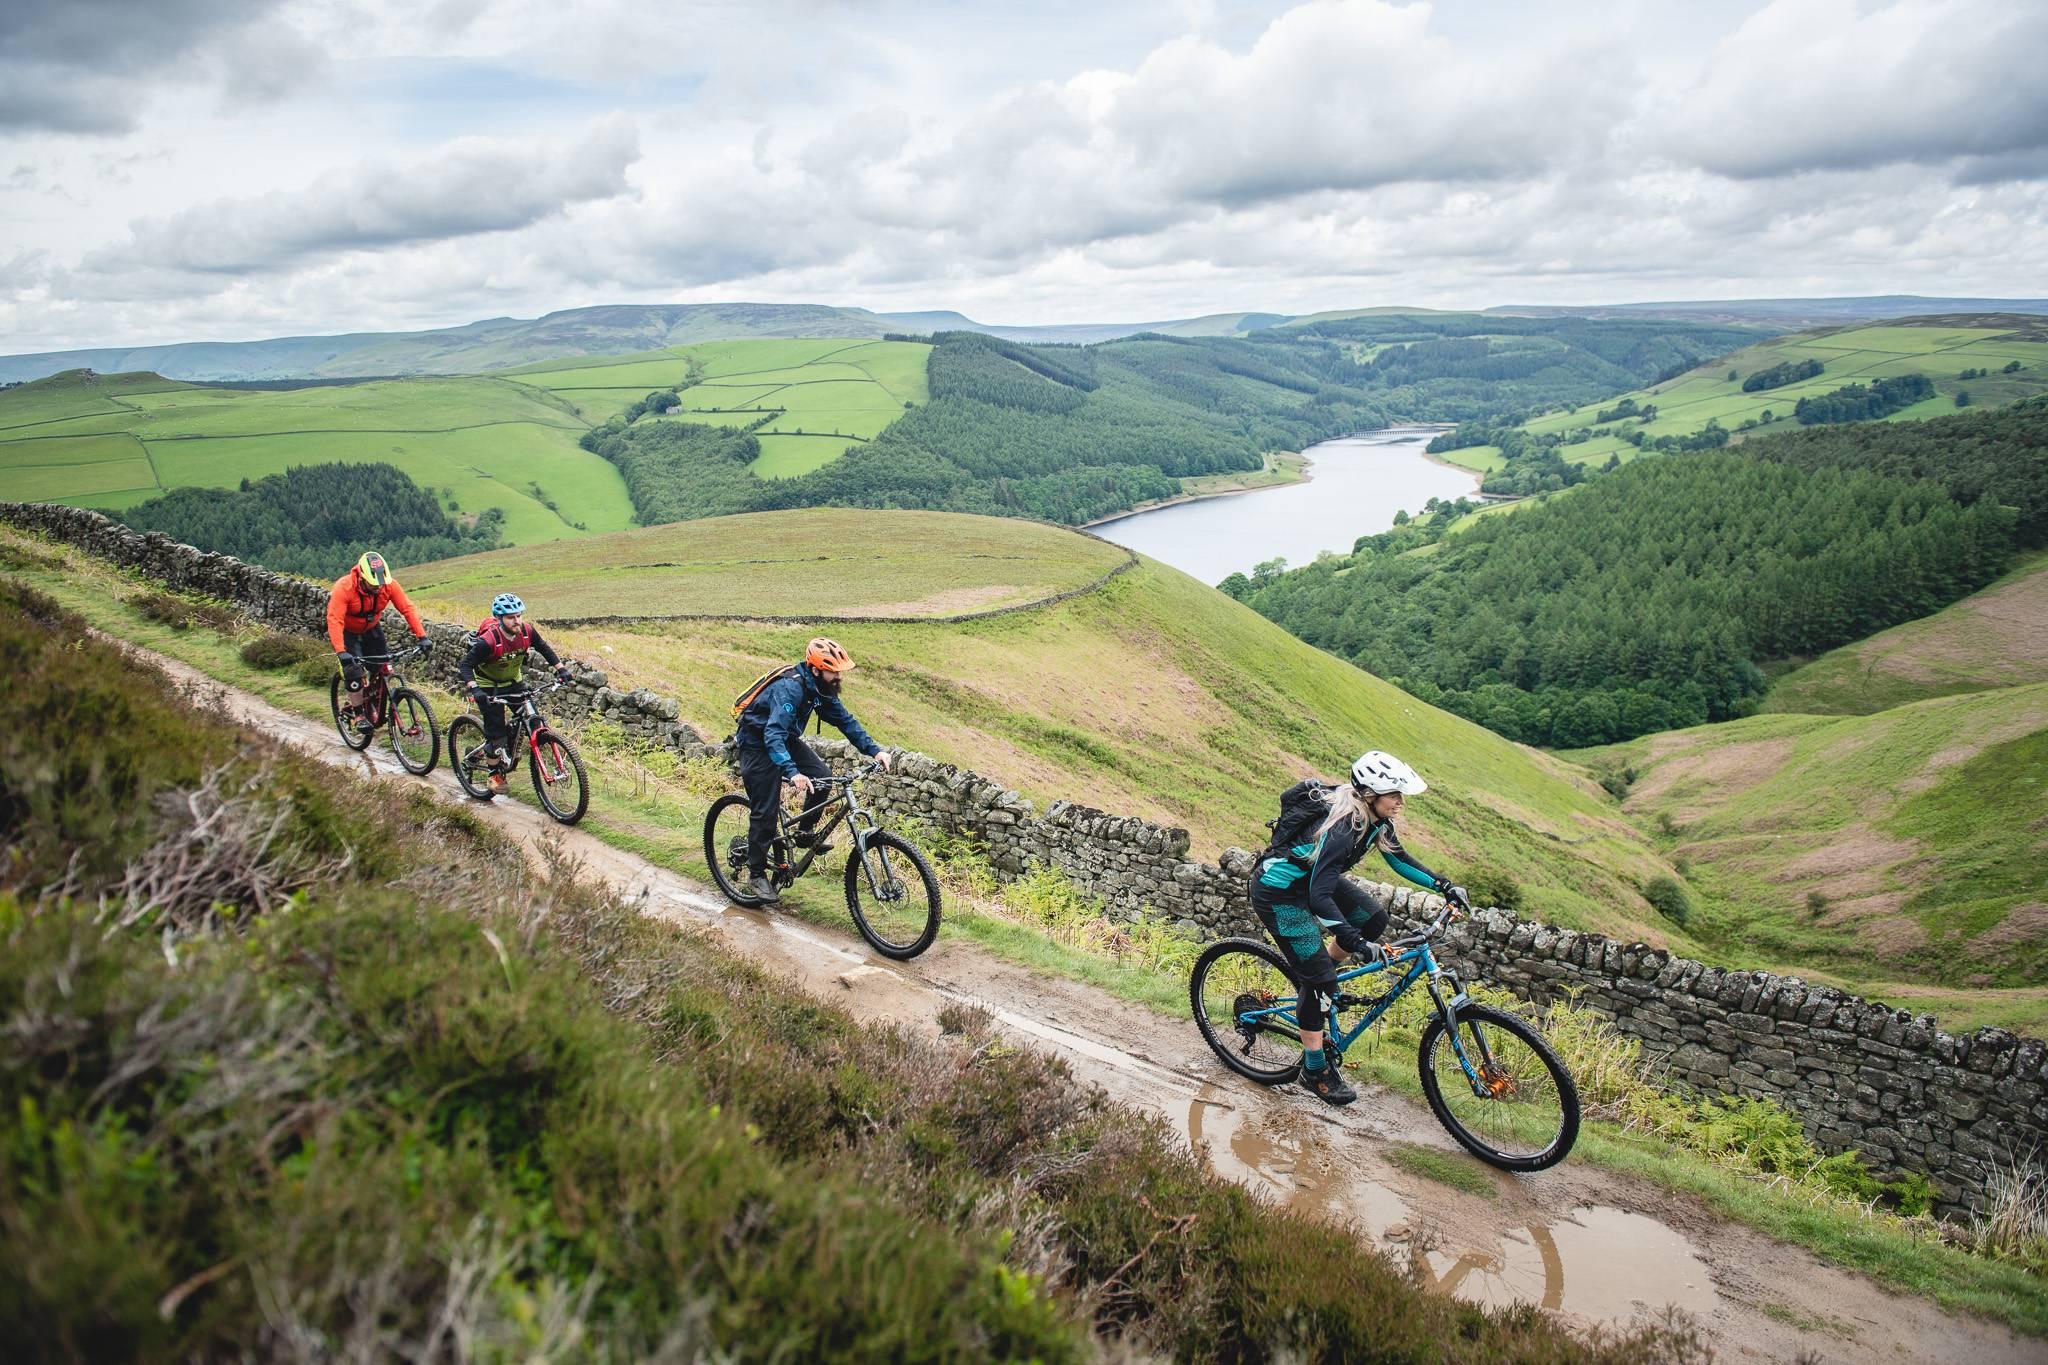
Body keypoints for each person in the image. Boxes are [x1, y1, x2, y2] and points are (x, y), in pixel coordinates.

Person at [1248, 750, 1469, 1106]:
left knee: (1374, 920)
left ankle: (1317, 985)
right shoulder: (1342, 829)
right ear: (1371, 794)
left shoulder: (1375, 820)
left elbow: (1398, 859)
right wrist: (1353, 942)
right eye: (1394, 795)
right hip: (1279, 893)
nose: (1400, 802)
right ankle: (1315, 1070)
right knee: (1320, 979)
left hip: (1311, 881)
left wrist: (1444, 885)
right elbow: (1320, 899)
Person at [731, 637, 892, 904]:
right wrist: (793, 772)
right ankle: (756, 874)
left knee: (822, 777)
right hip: (757, 742)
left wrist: (875, 750)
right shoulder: (790, 689)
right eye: (833, 671)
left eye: (840, 671)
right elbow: (773, 734)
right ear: (816, 670)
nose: (838, 676)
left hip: (782, 738)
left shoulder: (820, 690)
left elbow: (845, 721)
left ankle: (804, 833)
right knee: (765, 812)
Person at [457, 592, 569, 793]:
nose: (517, 621)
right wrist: (474, 688)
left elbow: (544, 648)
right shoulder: (489, 641)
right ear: (500, 619)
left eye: (518, 615)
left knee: (535, 722)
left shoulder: (527, 632)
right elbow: (465, 665)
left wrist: (561, 668)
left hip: (513, 682)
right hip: (488, 687)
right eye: (511, 617)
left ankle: (526, 758)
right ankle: (494, 774)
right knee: (496, 734)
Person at [326, 550, 430, 732]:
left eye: (381, 584)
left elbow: (407, 609)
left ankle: (374, 703)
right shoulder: (344, 588)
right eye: (374, 585)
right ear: (361, 577)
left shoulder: (388, 585)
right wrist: (341, 651)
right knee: (353, 671)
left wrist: (422, 637)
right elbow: (335, 619)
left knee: (382, 668)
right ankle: (359, 714)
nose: (379, 588)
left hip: (371, 629)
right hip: (347, 632)